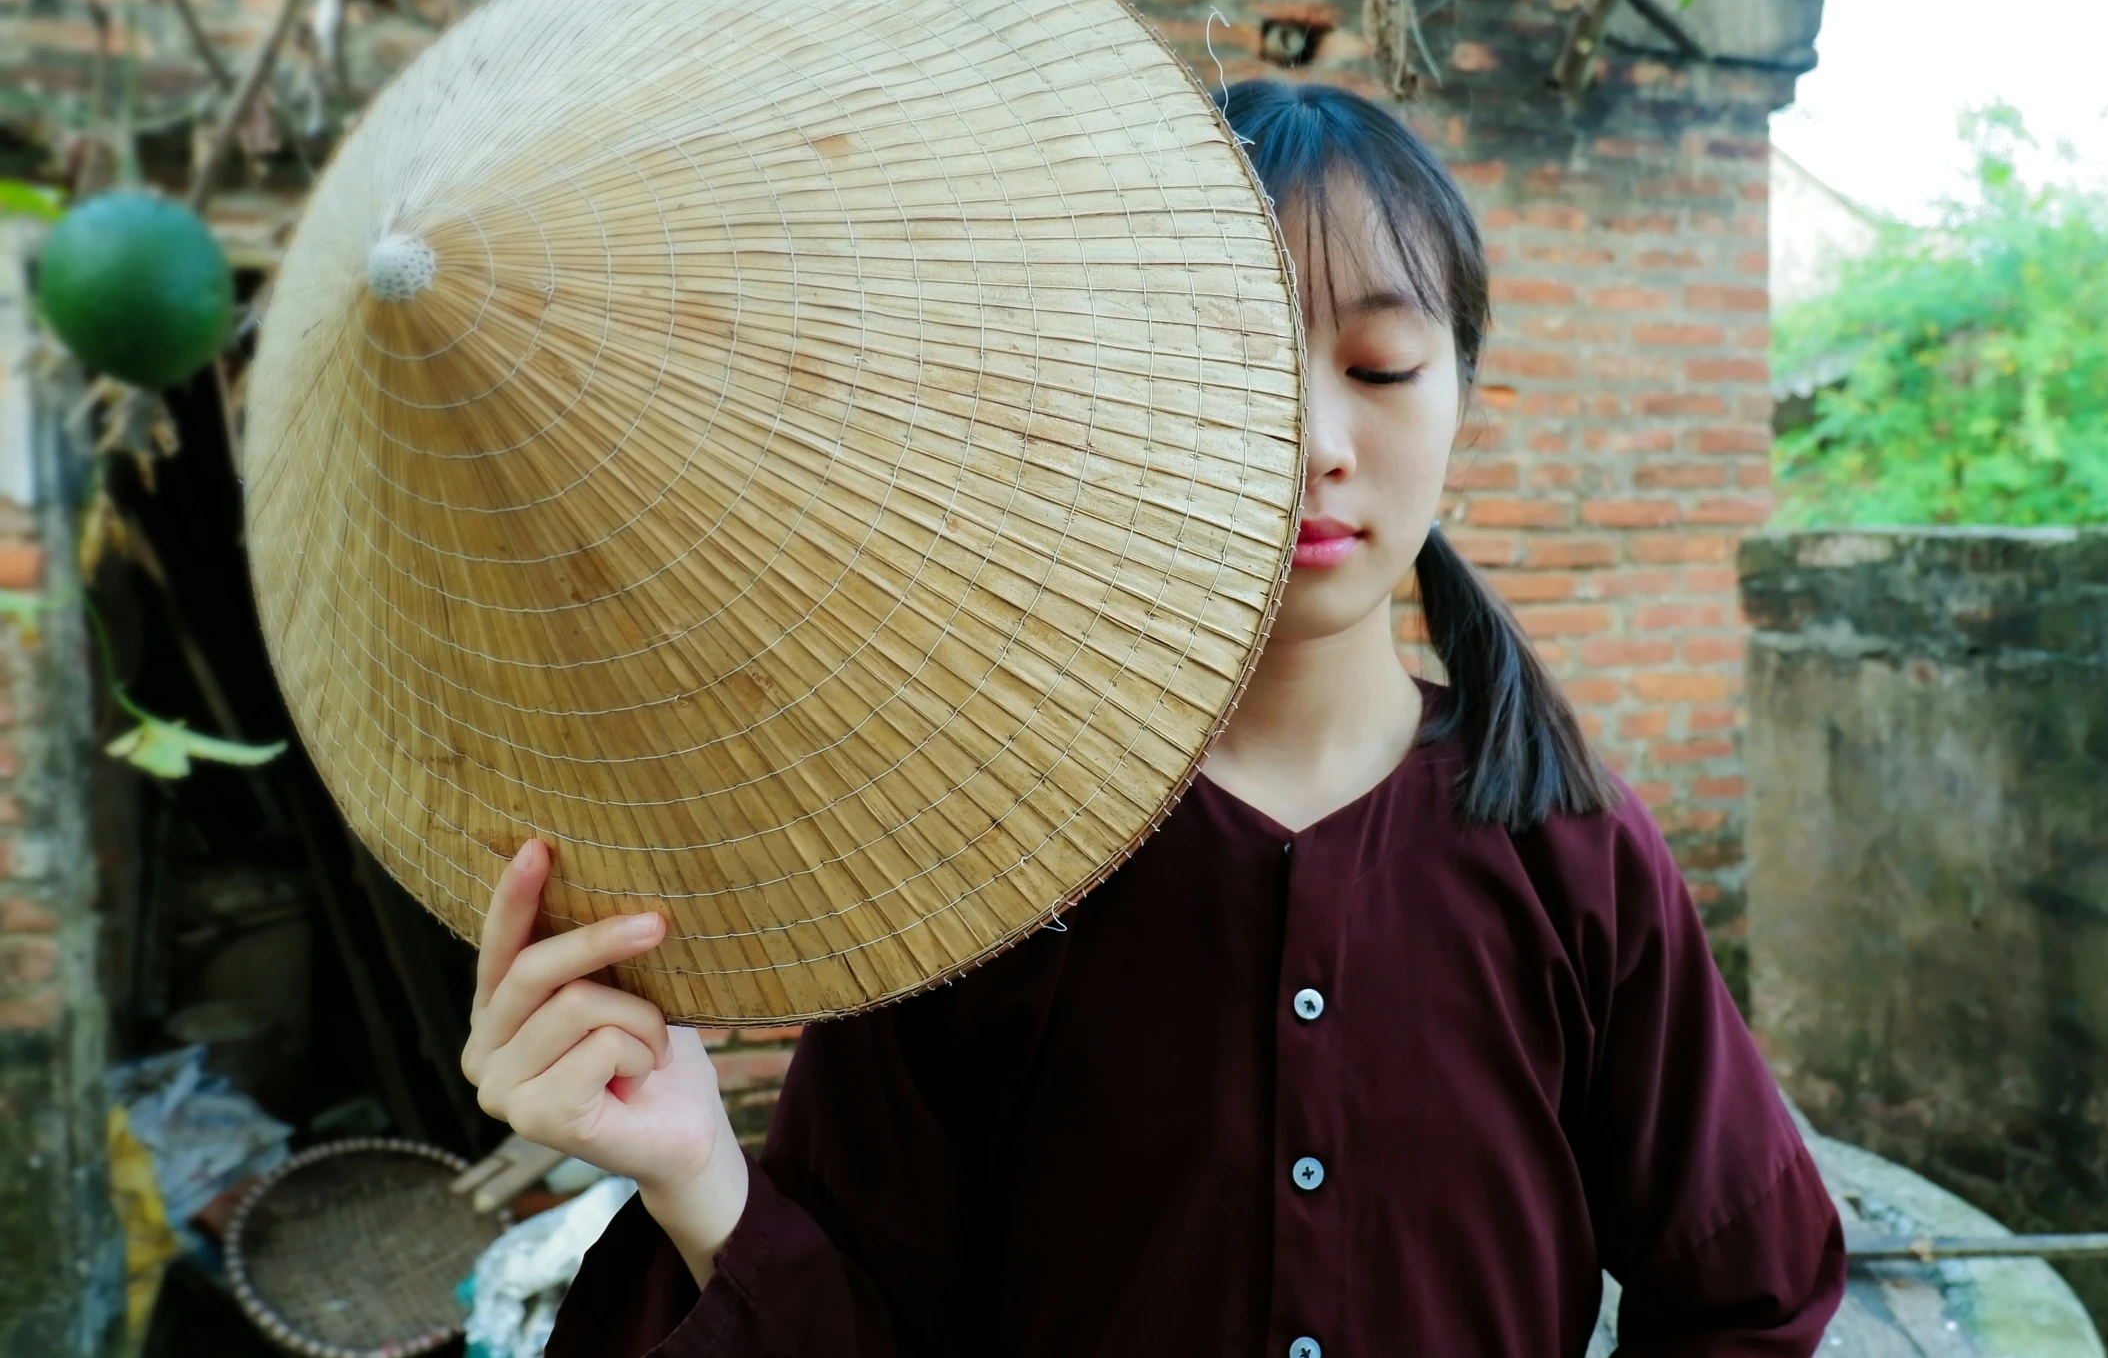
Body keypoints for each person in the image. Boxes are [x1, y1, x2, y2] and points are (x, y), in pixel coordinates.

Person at [462, 80, 1847, 1358]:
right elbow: (862, 1325)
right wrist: (696, 1168)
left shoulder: (1574, 851)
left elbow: (1749, 1296)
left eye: (1377, 366)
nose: (1314, 438)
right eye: (1232, 361)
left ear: (1464, 402)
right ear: (1133, 408)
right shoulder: (986, 864)